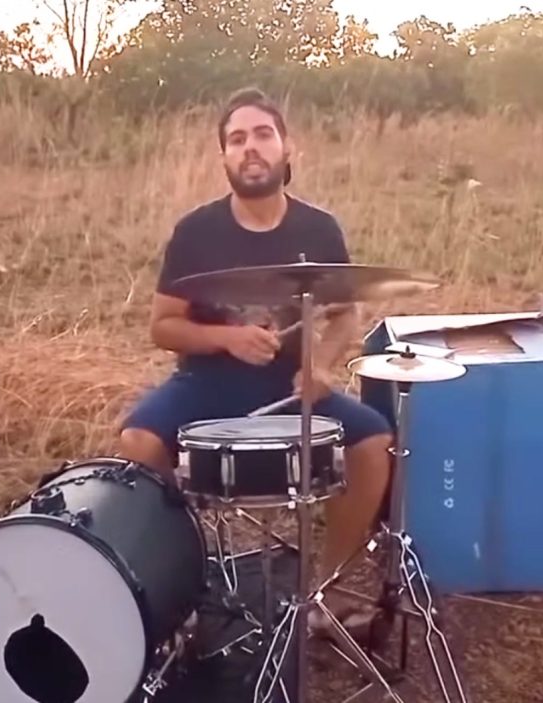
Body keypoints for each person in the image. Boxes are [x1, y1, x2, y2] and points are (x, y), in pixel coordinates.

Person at [117, 87, 393, 639]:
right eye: (237, 139)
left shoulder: (318, 229)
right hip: (206, 381)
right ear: (223, 156)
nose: (250, 147)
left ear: (287, 147)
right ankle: (180, 583)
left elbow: (345, 314)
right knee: (137, 443)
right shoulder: (196, 232)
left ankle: (326, 595)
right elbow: (162, 326)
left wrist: (321, 367)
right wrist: (226, 338)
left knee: (373, 441)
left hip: (287, 386)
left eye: (263, 134)